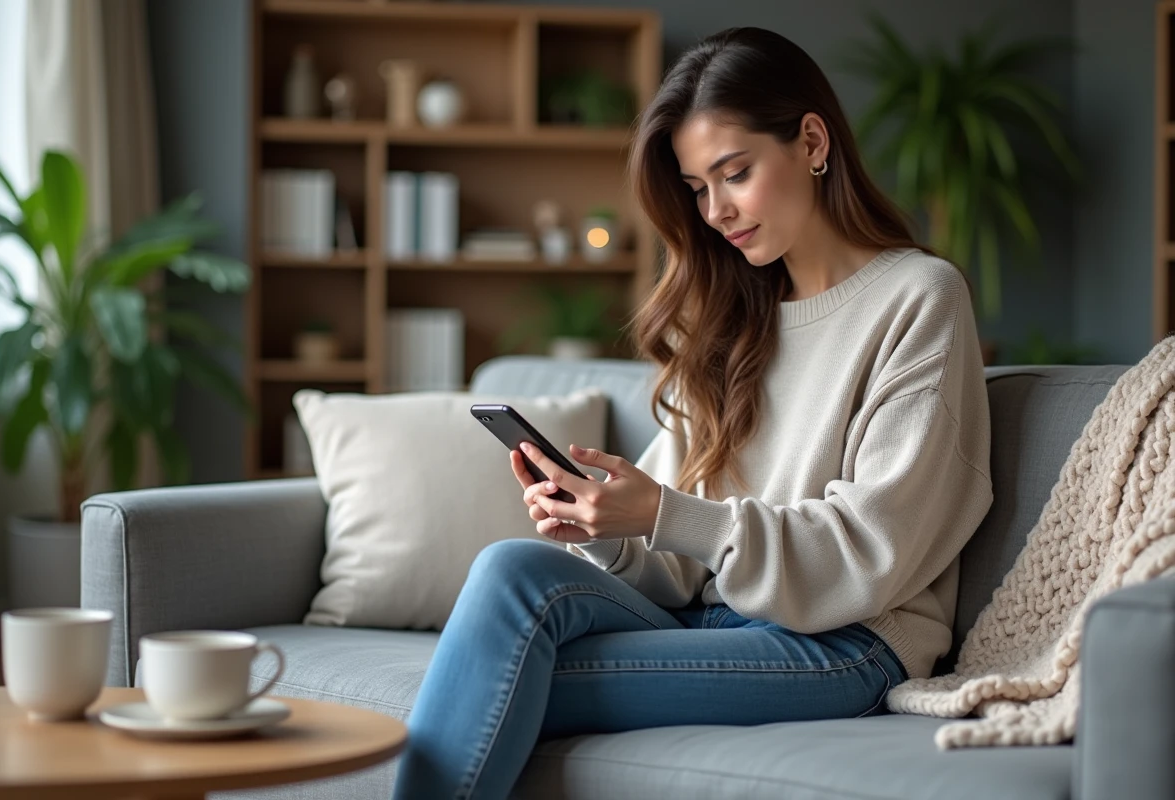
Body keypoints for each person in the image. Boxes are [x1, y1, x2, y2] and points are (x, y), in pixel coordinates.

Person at [391, 25, 993, 800]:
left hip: (843, 643)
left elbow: (872, 551)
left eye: (734, 173)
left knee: (488, 676)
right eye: (698, 188)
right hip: (717, 619)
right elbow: (677, 567)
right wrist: (609, 528)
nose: (715, 211)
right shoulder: (733, 316)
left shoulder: (919, 299)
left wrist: (668, 514)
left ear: (812, 141)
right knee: (510, 570)